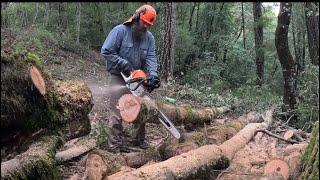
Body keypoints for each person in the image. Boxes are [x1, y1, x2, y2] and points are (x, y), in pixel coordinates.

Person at [101, 4, 160, 153]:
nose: (146, 27)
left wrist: (153, 76)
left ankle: (138, 140)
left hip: (136, 78)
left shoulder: (149, 38)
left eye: (149, 25)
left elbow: (151, 58)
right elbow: (106, 51)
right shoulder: (120, 31)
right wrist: (123, 63)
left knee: (143, 106)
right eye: (144, 23)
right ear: (136, 17)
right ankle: (114, 145)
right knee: (117, 109)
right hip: (118, 75)